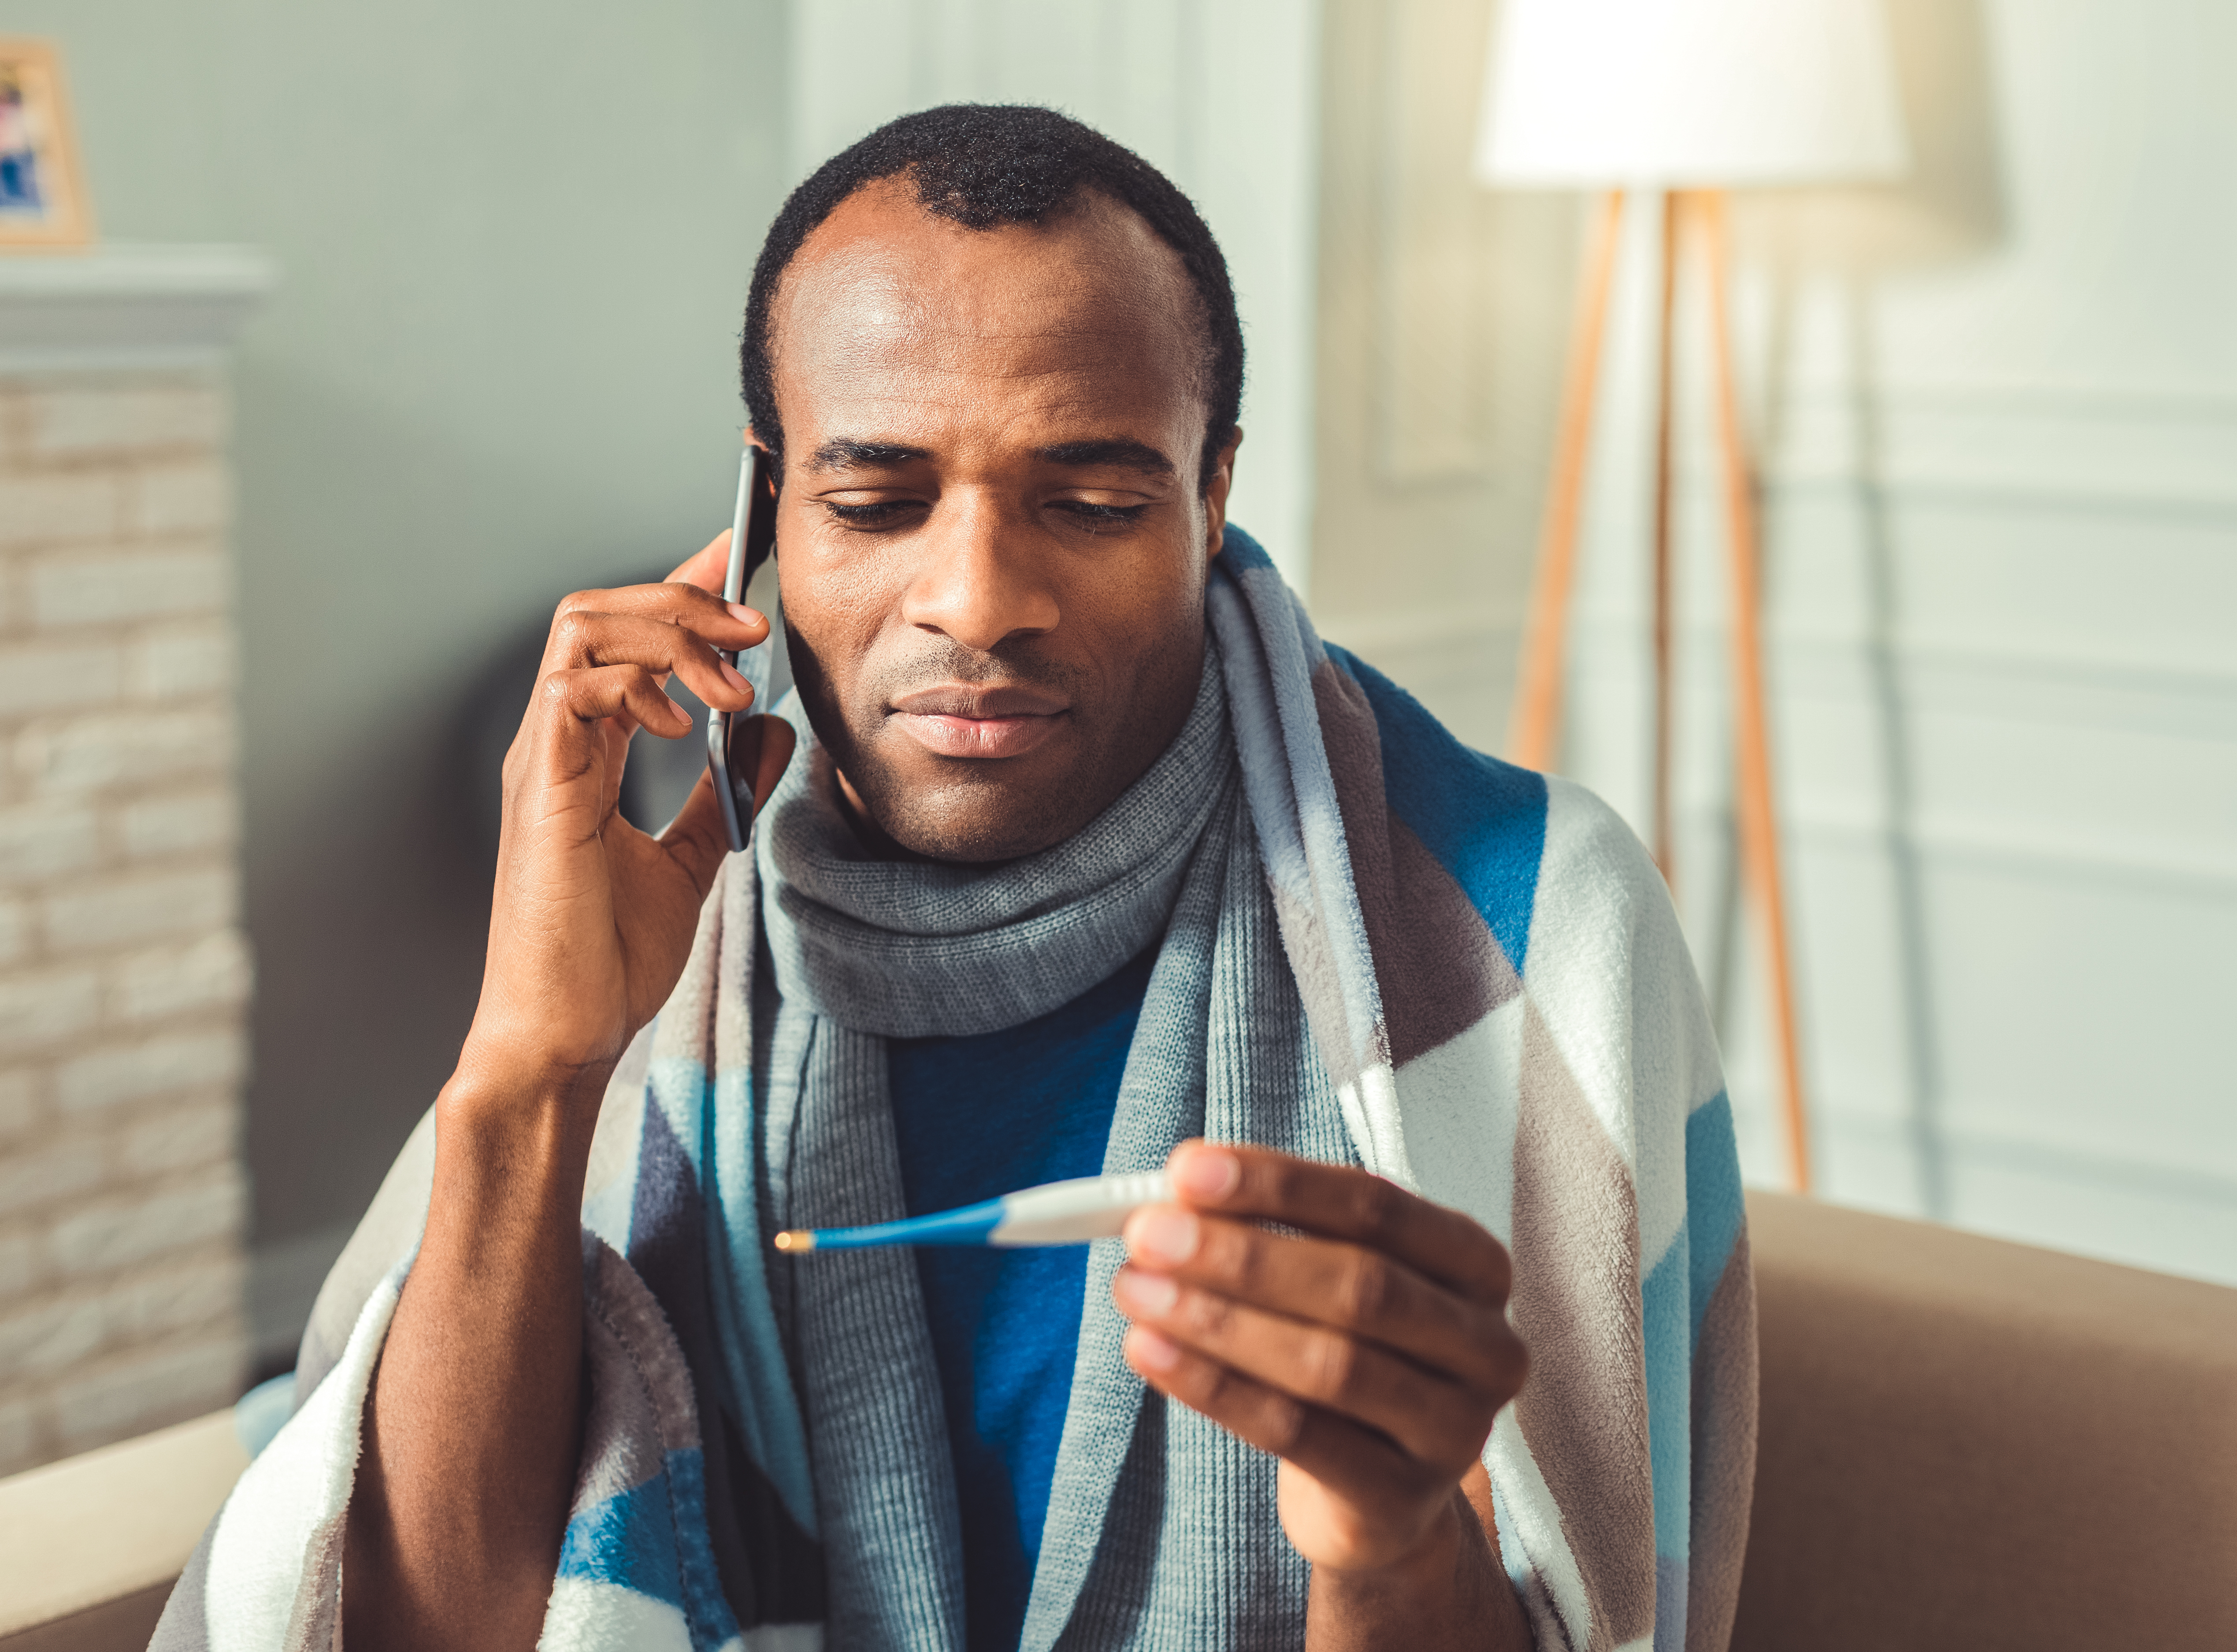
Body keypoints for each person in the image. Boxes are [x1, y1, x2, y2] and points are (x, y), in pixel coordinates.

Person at [157, 105, 1754, 1652]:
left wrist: (1393, 1537)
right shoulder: (663, 943)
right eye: (874, 501)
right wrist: (529, 1071)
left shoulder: (1532, 927)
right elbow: (425, 1637)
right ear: (764, 509)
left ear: (1212, 499)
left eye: (1095, 501)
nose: (977, 599)